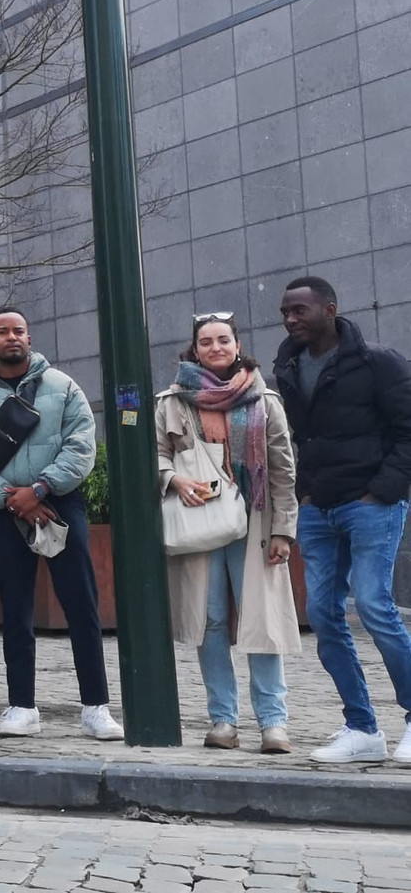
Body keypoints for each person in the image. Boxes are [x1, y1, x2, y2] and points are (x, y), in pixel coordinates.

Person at [0, 308, 122, 740]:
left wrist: (41, 489)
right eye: (3, 331)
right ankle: (21, 706)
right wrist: (14, 500)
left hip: (60, 504)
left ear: (30, 336)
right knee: (17, 609)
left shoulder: (63, 387)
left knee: (81, 604)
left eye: (19, 330)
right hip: (7, 513)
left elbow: (82, 443)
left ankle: (96, 707)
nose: (12, 337)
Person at [273, 277, 411, 765]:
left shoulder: (377, 361)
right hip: (319, 508)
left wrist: (384, 489)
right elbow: (301, 435)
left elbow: (407, 429)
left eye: (299, 311)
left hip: (370, 504)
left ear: (329, 310)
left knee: (374, 606)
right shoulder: (287, 366)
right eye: (285, 311)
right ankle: (362, 728)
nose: (290, 319)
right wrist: (306, 495)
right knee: (326, 615)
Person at [156, 314, 299, 754]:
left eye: (223, 340)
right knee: (210, 621)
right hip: (199, 521)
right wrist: (174, 480)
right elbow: (153, 454)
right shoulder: (172, 401)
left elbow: (282, 469)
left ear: (237, 345)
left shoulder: (263, 398)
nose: (215, 347)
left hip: (255, 521)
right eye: (206, 341)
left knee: (262, 620)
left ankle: (273, 723)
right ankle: (223, 720)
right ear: (193, 349)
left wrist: (283, 531)